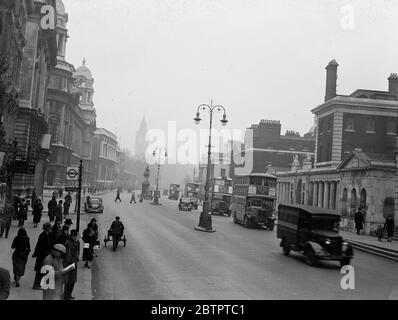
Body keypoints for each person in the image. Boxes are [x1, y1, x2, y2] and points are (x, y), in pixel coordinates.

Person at [32, 222, 52, 289]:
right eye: (49, 228)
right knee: (40, 271)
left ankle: (40, 284)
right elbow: (42, 246)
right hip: (42, 256)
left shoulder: (46, 235)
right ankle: (36, 285)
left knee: (42, 270)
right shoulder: (43, 235)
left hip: (44, 255)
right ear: (47, 229)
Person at [63, 230, 80, 300]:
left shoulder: (74, 242)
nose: (77, 237)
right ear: (73, 236)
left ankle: (69, 295)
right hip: (69, 264)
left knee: (72, 281)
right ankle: (66, 296)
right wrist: (73, 261)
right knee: (69, 281)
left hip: (73, 263)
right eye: (76, 236)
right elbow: (68, 255)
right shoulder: (69, 244)